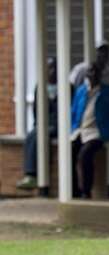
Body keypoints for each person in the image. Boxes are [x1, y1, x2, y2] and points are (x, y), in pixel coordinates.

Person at [71, 63, 109, 198]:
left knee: (85, 154)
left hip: (98, 132)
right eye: (90, 71)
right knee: (70, 153)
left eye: (96, 71)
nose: (93, 74)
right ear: (86, 74)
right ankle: (74, 190)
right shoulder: (81, 91)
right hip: (80, 131)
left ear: (100, 75)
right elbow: (73, 112)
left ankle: (86, 191)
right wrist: (72, 128)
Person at [17, 57, 63, 190]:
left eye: (54, 67)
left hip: (58, 125)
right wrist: (38, 124)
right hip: (43, 124)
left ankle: (32, 174)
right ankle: (30, 175)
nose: (51, 71)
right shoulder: (40, 87)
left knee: (40, 134)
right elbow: (36, 109)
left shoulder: (66, 87)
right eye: (49, 68)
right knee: (31, 136)